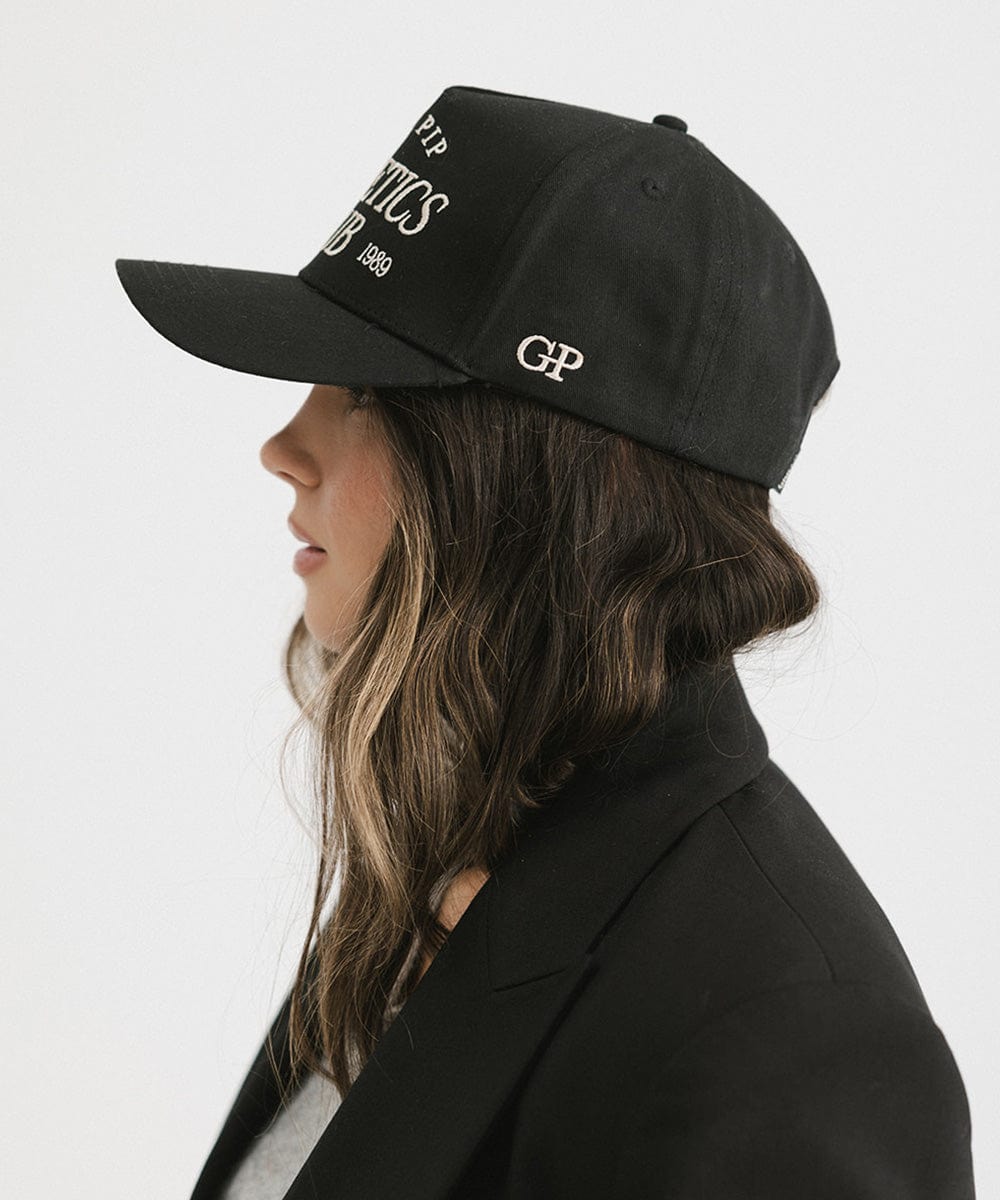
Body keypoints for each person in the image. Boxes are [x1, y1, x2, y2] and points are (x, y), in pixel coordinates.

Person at [114, 85, 976, 1199]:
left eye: (367, 391)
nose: (285, 444)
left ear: (550, 484)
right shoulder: (459, 848)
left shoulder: (787, 1039)